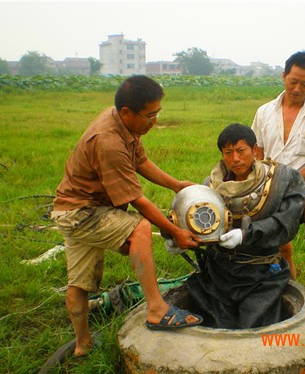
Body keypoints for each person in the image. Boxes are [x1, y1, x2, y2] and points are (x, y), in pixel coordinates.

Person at [51, 75, 203, 357]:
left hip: (73, 209)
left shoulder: (122, 122)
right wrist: (176, 231)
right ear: (126, 112)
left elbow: (140, 161)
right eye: (151, 115)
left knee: (79, 283)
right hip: (83, 212)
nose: (154, 121)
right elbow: (138, 202)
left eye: (158, 113)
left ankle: (82, 345)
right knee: (140, 229)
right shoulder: (108, 142)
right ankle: (157, 309)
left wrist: (176, 184)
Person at [167, 123, 305, 329]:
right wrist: (175, 236)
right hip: (218, 271)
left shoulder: (282, 180)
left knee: (254, 324)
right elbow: (195, 222)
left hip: (261, 273)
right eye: (228, 152)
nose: (235, 159)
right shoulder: (210, 186)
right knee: (208, 319)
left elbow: (286, 222)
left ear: (255, 150)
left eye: (241, 151)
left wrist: (245, 235)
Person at [251, 51, 305, 317]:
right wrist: (263, 183)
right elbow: (257, 152)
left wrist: (292, 182)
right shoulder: (265, 112)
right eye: (293, 81)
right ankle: (286, 280)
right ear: (284, 76)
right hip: (270, 182)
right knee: (271, 225)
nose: (298, 88)